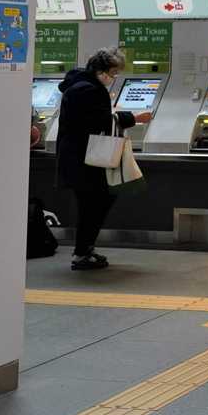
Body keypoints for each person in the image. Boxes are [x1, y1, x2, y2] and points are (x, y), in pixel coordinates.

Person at [55, 48, 152, 271]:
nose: (114, 77)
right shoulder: (88, 89)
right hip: (86, 158)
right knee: (94, 204)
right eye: (113, 72)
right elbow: (98, 121)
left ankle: (85, 250)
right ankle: (82, 253)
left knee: (93, 203)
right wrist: (133, 118)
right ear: (101, 70)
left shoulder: (79, 84)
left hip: (80, 156)